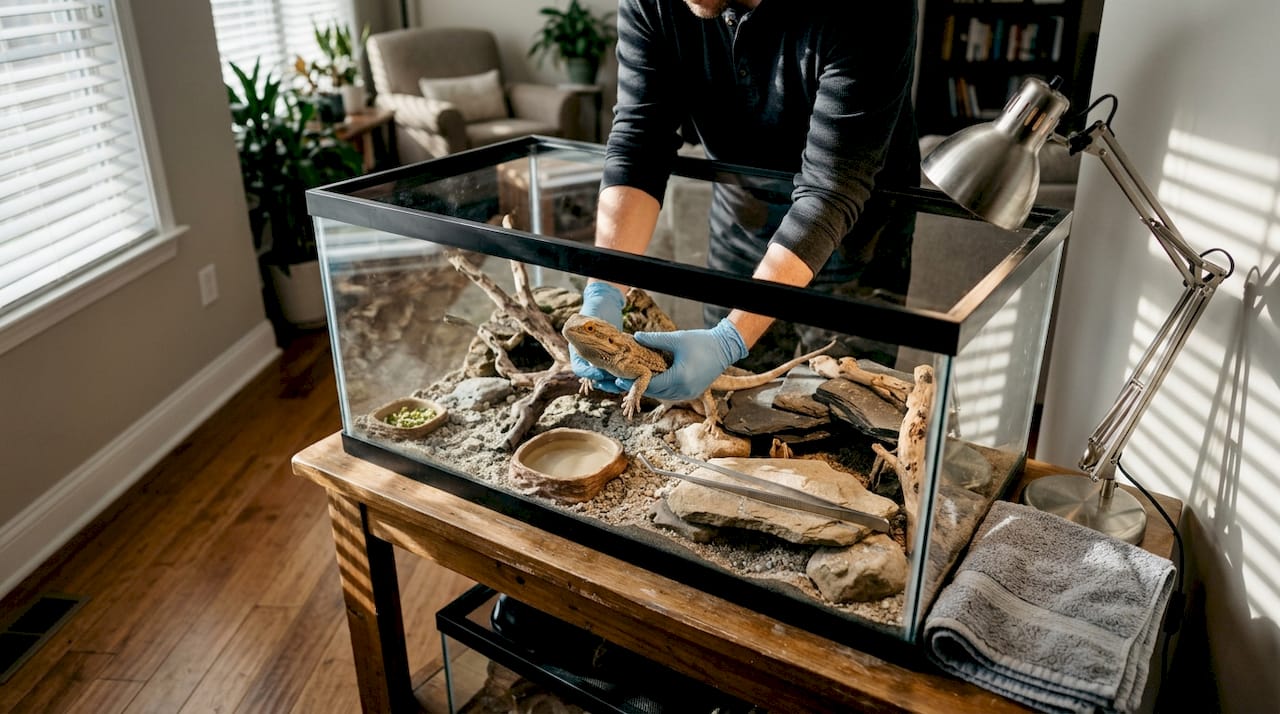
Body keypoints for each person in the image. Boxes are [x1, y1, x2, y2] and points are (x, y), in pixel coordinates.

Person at [571, 0, 920, 403]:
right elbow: (639, 145)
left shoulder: (872, 9)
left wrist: (730, 338)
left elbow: (831, 188)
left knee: (843, 412)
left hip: (857, 244)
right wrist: (605, 287)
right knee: (734, 405)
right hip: (741, 225)